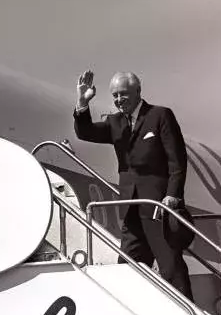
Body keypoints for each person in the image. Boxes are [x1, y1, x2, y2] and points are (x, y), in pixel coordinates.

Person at [73, 69, 194, 301]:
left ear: (138, 92)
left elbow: (177, 161)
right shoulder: (115, 122)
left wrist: (172, 196)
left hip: (158, 207)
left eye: (124, 95)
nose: (119, 100)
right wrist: (82, 102)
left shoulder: (159, 116)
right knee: (128, 268)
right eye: (115, 96)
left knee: (171, 269)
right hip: (130, 208)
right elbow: (85, 132)